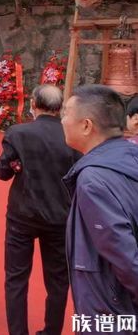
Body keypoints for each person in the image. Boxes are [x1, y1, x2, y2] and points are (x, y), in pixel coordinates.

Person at [0, 85, 80, 335]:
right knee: (58, 281)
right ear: (60, 107)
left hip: (23, 215)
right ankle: (52, 330)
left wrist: (15, 164)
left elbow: (1, 172)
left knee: (16, 278)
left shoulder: (18, 133)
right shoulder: (72, 135)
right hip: (61, 216)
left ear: (33, 104)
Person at [61, 85, 138, 326]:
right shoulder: (129, 155)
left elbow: (125, 257)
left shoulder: (93, 180)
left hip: (110, 307)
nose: (61, 120)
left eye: (65, 113)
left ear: (86, 125)